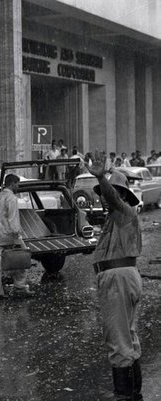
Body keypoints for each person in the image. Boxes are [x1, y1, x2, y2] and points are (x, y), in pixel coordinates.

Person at [86, 161, 143, 400]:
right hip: (122, 276)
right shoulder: (117, 218)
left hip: (118, 278)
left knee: (118, 339)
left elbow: (113, 199)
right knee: (127, 337)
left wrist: (101, 179)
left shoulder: (124, 211)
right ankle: (133, 392)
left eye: (108, 192)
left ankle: (124, 394)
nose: (103, 198)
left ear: (120, 194)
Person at [0, 174, 33, 299]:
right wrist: (17, 235)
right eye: (17, 184)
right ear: (13, 183)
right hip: (9, 235)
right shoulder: (11, 198)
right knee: (22, 259)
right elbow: (13, 219)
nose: (18, 186)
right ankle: (20, 287)